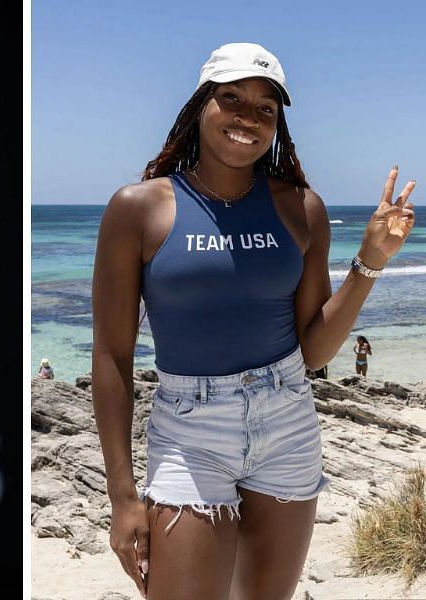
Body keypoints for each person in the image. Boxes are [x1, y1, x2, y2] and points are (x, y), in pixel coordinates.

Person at [91, 42, 415, 599]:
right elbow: (112, 355)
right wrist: (122, 495)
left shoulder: (301, 208)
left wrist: (371, 263)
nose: (248, 118)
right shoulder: (139, 208)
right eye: (232, 99)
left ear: (278, 125)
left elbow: (314, 352)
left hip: (288, 423)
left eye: (266, 108)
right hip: (188, 432)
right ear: (201, 107)